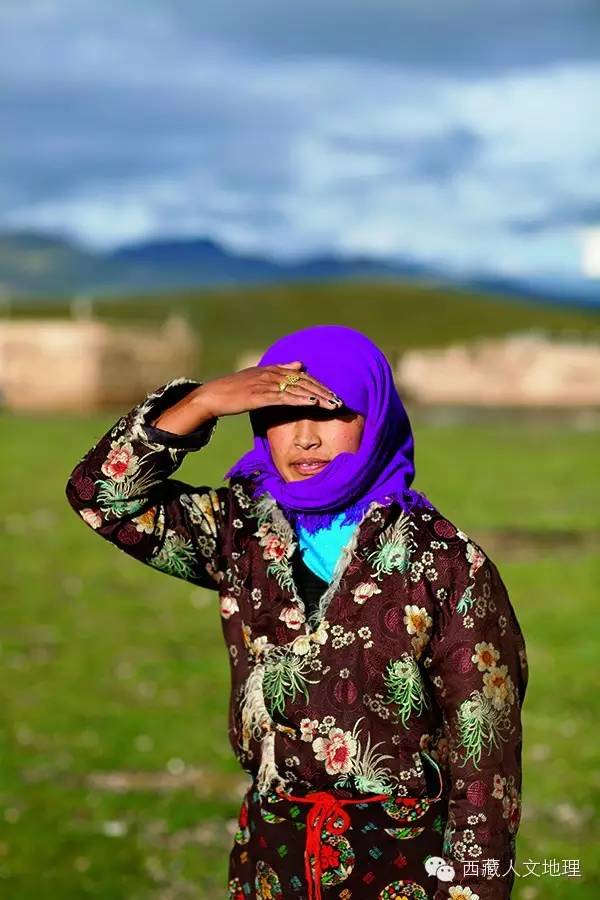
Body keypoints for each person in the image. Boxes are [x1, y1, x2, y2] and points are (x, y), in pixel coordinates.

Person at [65, 324, 528, 900]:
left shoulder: (445, 564)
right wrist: (202, 403)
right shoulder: (242, 533)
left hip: (406, 869)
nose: (305, 438)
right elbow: (100, 496)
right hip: (272, 860)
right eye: (281, 414)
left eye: (330, 412)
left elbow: (486, 762)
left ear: (375, 418)